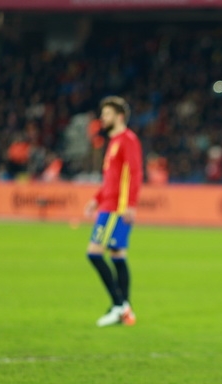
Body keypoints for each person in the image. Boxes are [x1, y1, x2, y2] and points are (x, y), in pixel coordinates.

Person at [84, 96, 144, 326]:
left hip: (116, 209)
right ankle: (124, 309)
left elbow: (135, 173)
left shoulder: (128, 140)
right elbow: (112, 179)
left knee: (94, 253)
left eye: (107, 114)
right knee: (118, 255)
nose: (102, 118)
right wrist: (95, 199)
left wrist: (130, 204)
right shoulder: (113, 142)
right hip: (109, 204)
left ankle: (119, 305)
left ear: (119, 117)